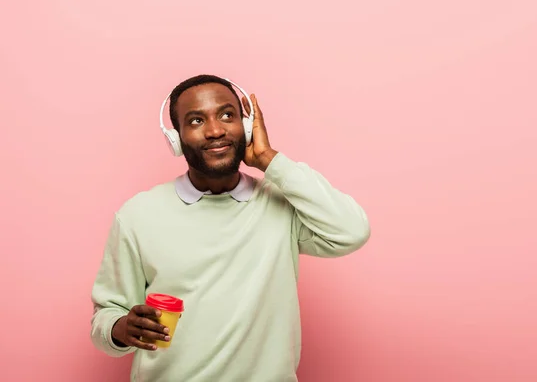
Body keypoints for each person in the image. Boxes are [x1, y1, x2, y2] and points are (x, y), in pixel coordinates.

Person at [90, 74, 371, 381]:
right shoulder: (137, 215)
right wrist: (120, 329)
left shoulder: (281, 206)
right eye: (196, 121)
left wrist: (268, 159)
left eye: (227, 115)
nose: (215, 130)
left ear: (247, 126)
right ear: (176, 139)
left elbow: (352, 231)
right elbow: (107, 315)